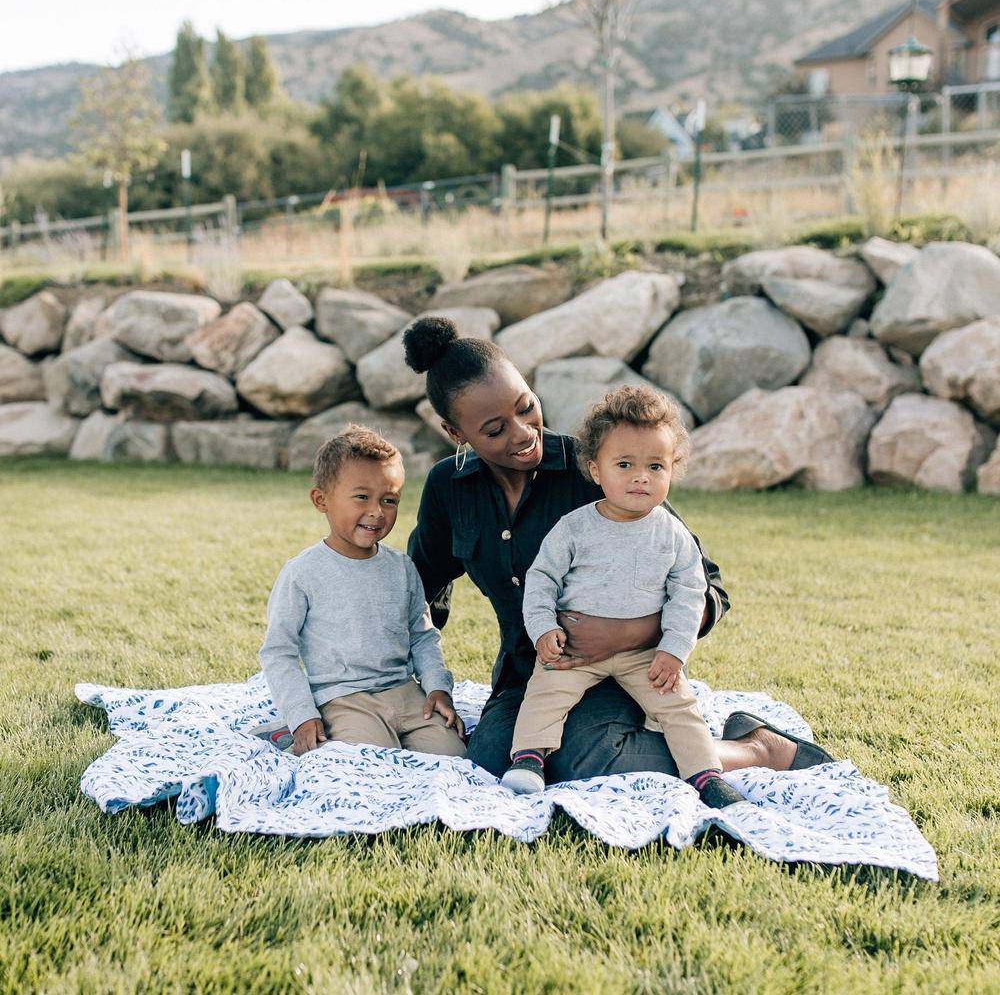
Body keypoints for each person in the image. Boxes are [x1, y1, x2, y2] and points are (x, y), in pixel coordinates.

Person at [404, 315, 833, 783]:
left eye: (526, 407)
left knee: (589, 760)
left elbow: (708, 588)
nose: (523, 432)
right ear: (456, 433)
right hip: (527, 676)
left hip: (623, 675)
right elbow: (421, 587)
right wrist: (419, 678)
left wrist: (630, 633)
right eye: (495, 429)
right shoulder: (450, 488)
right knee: (489, 760)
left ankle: (755, 748)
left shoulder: (598, 470)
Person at [502, 385, 744, 807]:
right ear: (596, 470)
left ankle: (707, 776)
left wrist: (674, 650)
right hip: (573, 648)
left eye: (655, 466)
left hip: (645, 654)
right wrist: (543, 629)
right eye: (625, 464)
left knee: (678, 704)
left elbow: (690, 592)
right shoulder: (575, 527)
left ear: (673, 470)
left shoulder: (672, 534)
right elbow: (541, 580)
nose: (641, 477)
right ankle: (529, 759)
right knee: (546, 691)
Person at [258, 424, 466, 759]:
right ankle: (291, 733)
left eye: (389, 500)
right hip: (342, 698)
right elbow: (278, 652)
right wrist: (302, 715)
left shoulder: (402, 568)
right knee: (370, 762)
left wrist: (438, 687)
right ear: (321, 500)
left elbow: (423, 636)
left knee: (453, 756)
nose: (376, 511)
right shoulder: (303, 573)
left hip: (404, 693)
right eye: (361, 497)